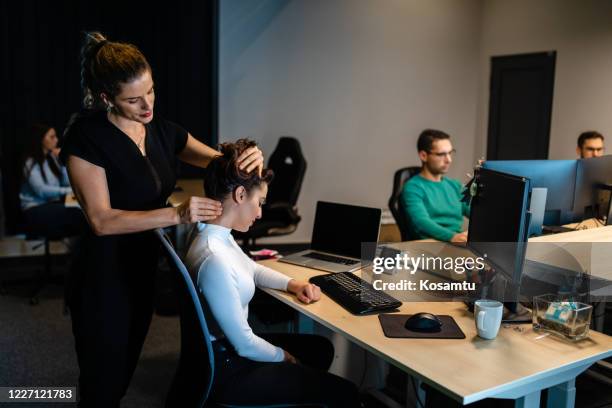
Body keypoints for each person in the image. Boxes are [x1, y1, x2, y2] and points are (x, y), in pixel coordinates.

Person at [59, 32, 264, 407]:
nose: (146, 105)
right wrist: (176, 214)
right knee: (101, 384)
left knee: (123, 374)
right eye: (133, 100)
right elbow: (101, 221)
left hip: (143, 268)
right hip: (103, 278)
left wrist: (252, 154)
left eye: (150, 91)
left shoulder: (163, 131)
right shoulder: (85, 140)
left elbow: (222, 161)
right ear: (106, 98)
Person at [185, 139, 360, 408]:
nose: (260, 213)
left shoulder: (215, 235)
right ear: (240, 195)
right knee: (345, 393)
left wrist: (292, 283)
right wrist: (284, 357)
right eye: (260, 202)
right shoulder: (215, 259)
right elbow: (244, 344)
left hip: (228, 350)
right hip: (229, 368)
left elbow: (251, 268)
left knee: (320, 349)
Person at [401, 129, 469, 243]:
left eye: (450, 153)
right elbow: (421, 222)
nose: (449, 160)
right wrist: (452, 237)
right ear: (423, 155)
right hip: (429, 246)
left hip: (456, 243)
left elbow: (477, 215)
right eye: (441, 154)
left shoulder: (455, 186)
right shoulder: (413, 187)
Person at [19, 124, 85, 238]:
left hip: (53, 204)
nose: (56, 140)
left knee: (85, 207)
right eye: (52, 137)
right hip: (35, 208)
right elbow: (41, 190)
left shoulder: (52, 159)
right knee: (76, 214)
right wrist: (68, 191)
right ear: (41, 139)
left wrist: (63, 161)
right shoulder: (30, 162)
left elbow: (66, 182)